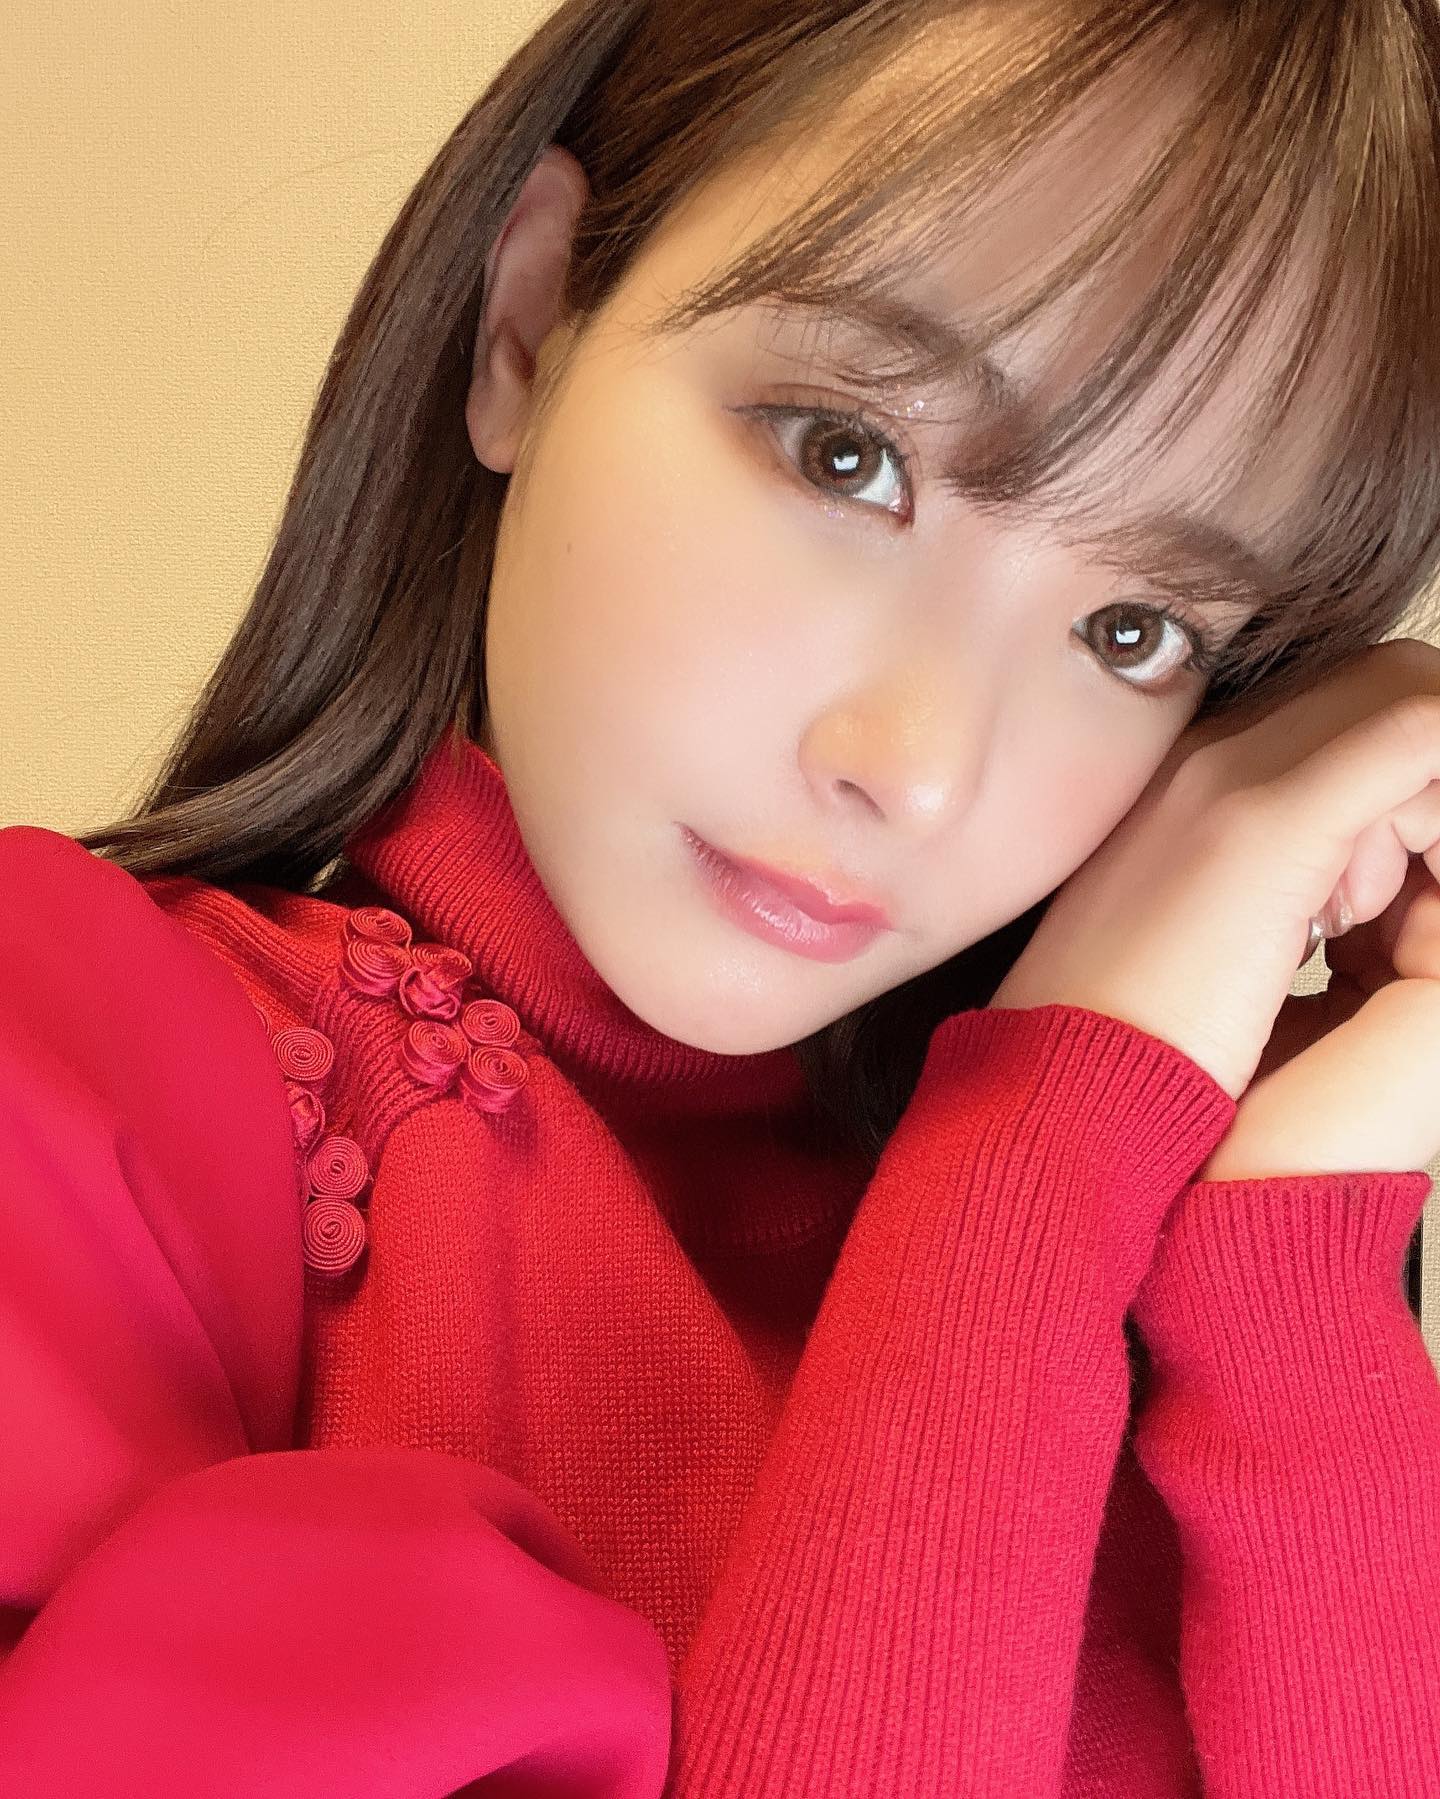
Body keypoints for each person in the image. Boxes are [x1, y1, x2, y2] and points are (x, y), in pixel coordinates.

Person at [2, 1, 1438, 1792]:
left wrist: (1287, 1266)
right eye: (847, 453)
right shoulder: (60, 1076)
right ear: (528, 320)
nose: (920, 767)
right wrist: (1032, 1153)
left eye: (1133, 629)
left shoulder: (1192, 1310)